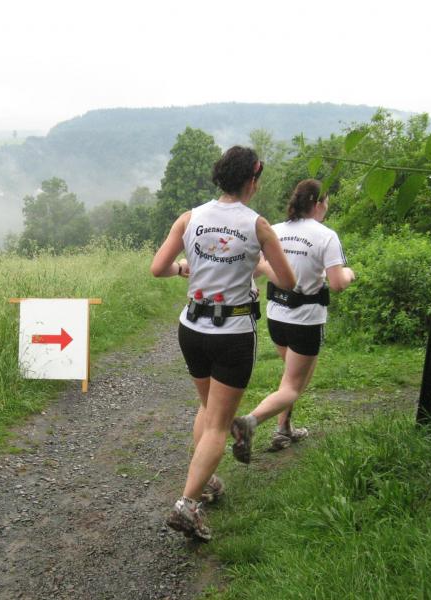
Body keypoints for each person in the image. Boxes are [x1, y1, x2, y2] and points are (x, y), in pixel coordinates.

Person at [150, 146, 295, 541]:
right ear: (252, 179)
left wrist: (184, 267)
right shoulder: (258, 226)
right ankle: (187, 504)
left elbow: (158, 268)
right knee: (217, 423)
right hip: (232, 333)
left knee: (207, 408)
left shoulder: (190, 218)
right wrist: (258, 265)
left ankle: (206, 480)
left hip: (191, 328)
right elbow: (288, 281)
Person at [230, 178, 355, 463]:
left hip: (277, 317)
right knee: (293, 386)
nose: (326, 207)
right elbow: (337, 283)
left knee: (291, 376)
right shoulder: (326, 236)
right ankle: (248, 422)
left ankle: (283, 429)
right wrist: (350, 273)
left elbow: (255, 268)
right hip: (306, 321)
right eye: (326, 202)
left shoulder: (275, 230)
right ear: (317, 203)